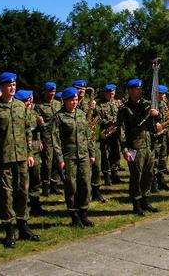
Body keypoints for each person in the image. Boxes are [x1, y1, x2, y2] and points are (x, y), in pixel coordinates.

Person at [0, 72, 40, 249]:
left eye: (14, 84)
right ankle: (9, 230)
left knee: (22, 191)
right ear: (1, 87)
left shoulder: (21, 106)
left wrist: (30, 153)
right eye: (8, 84)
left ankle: (23, 225)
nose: (12, 87)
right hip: (3, 159)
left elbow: (27, 132)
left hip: (22, 157)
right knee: (6, 195)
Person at [52, 87, 95, 227]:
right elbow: (55, 140)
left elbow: (88, 136)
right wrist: (59, 159)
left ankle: (84, 213)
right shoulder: (59, 117)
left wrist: (92, 153)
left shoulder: (81, 114)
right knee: (71, 186)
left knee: (85, 184)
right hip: (68, 156)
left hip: (83, 155)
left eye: (76, 100)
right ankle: (74, 215)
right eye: (71, 100)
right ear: (64, 101)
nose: (74, 102)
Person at [117, 79, 160, 216]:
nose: (140, 90)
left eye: (141, 88)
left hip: (149, 145)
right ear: (130, 90)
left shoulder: (148, 104)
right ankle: (136, 204)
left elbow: (158, 121)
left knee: (148, 175)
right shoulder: (124, 109)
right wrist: (124, 150)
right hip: (134, 147)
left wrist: (157, 116)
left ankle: (145, 201)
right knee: (136, 176)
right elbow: (121, 131)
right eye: (136, 88)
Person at [15, 90, 45, 216]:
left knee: (36, 179)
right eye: (28, 100)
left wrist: (41, 126)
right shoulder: (17, 114)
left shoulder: (33, 113)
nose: (30, 101)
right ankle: (22, 207)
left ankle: (35, 204)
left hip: (35, 150)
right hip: (22, 151)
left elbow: (38, 130)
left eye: (30, 99)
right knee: (22, 181)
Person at [34, 82, 62, 197]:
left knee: (57, 161)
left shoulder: (58, 104)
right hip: (46, 138)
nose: (52, 94)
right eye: (50, 91)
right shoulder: (39, 106)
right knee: (47, 163)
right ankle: (45, 185)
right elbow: (37, 127)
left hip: (57, 137)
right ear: (45, 92)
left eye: (54, 91)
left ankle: (54, 184)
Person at [94, 84, 123, 186]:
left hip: (116, 132)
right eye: (109, 93)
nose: (111, 94)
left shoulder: (118, 102)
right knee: (105, 155)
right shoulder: (99, 104)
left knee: (115, 154)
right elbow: (98, 118)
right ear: (105, 93)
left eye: (113, 92)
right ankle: (106, 177)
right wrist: (108, 122)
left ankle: (115, 175)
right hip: (106, 132)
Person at [151, 85, 169, 192]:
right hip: (155, 137)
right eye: (162, 94)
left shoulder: (163, 103)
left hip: (163, 135)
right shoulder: (152, 105)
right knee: (154, 161)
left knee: (162, 159)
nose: (164, 96)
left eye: (164, 94)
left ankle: (161, 181)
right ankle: (153, 184)